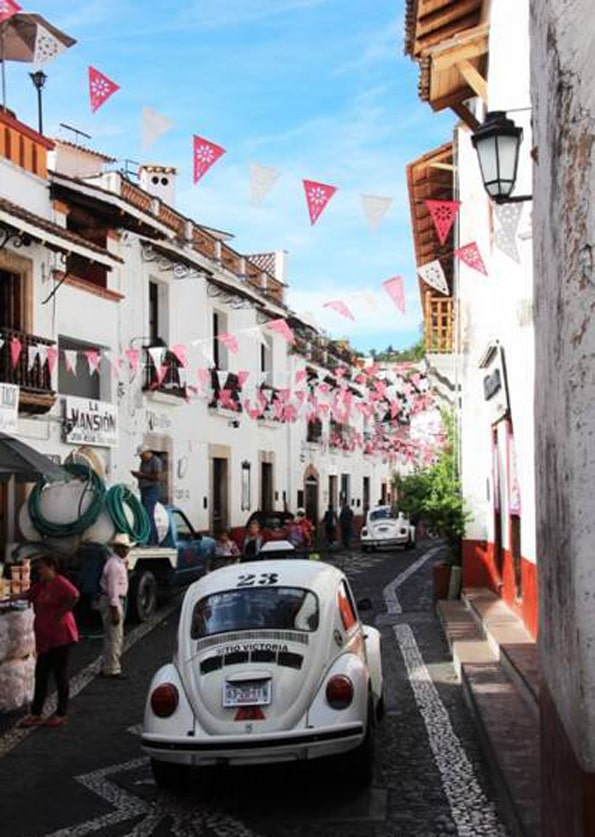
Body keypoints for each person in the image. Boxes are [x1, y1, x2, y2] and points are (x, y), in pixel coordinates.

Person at [17, 555, 79, 728]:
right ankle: (36, 713)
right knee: (41, 675)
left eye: (42, 568)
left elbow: (74, 595)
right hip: (46, 639)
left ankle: (61, 713)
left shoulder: (61, 583)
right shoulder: (42, 585)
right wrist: (8, 599)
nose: (40, 571)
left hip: (61, 637)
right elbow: (28, 594)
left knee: (60, 674)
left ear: (52, 567)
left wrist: (61, 613)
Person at [99, 533, 131, 678]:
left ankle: (107, 665)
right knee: (115, 636)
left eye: (127, 548)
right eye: (123, 548)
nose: (126, 551)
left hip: (112, 600)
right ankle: (113, 669)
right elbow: (113, 589)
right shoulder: (114, 566)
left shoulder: (116, 563)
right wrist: (115, 609)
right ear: (117, 548)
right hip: (114, 601)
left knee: (110, 636)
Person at [131, 447, 162, 545]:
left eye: (141, 455)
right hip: (144, 490)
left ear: (146, 452)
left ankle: (151, 541)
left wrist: (140, 475)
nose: (140, 457)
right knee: (145, 515)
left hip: (152, 489)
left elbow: (156, 477)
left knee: (148, 515)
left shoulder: (156, 461)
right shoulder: (143, 462)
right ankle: (153, 540)